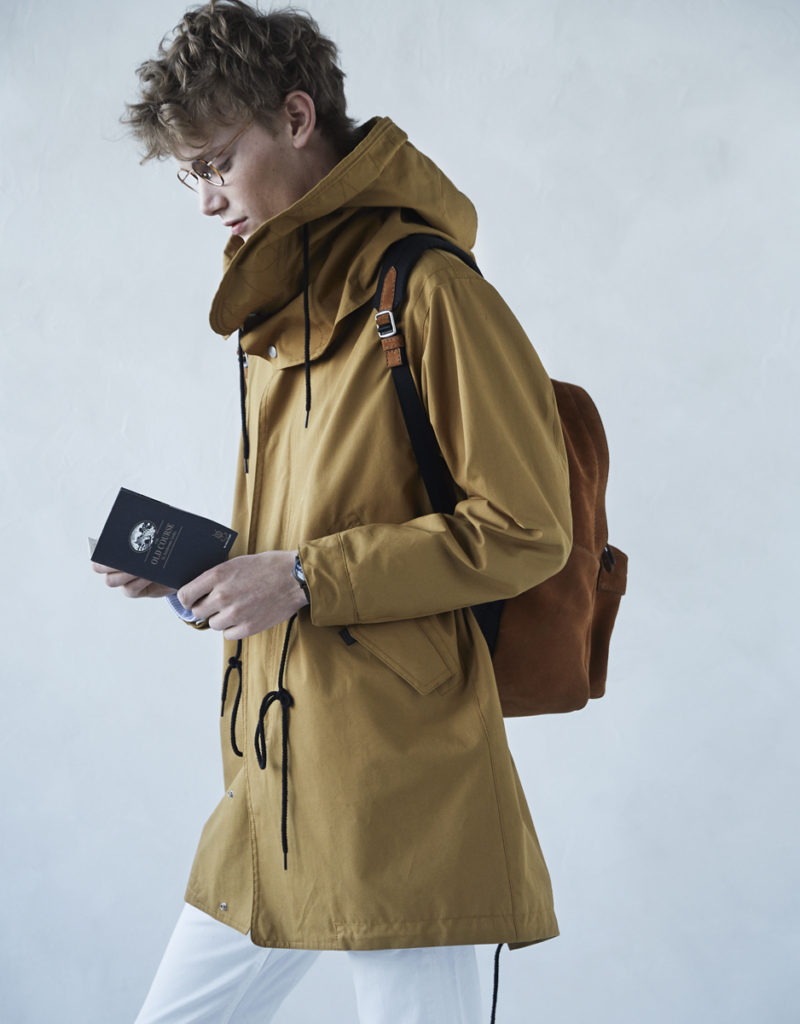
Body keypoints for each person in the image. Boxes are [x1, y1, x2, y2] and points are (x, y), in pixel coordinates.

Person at [92, 2, 573, 1021]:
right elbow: (310, 534)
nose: (206, 199)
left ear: (298, 117)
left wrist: (307, 578)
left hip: (407, 789)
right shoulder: (278, 311)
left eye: (217, 162)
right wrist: (209, 570)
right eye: (190, 175)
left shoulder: (429, 291)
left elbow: (526, 528)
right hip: (271, 777)